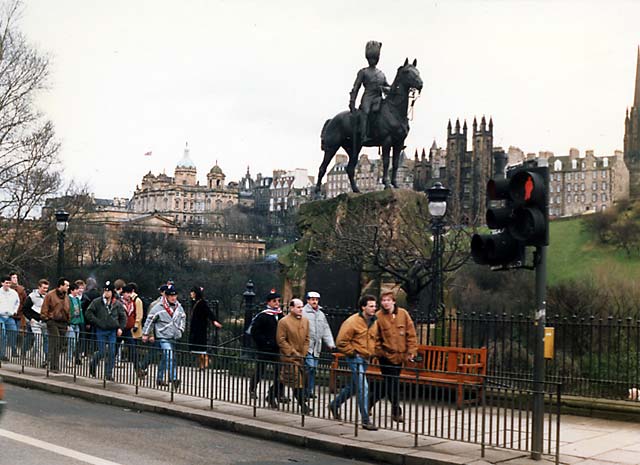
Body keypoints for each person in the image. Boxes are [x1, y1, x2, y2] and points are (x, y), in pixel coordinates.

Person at [329, 294, 381, 431]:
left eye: (375, 306)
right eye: (371, 306)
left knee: (353, 386)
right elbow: (341, 341)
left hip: (365, 357)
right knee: (363, 387)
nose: (374, 308)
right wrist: (352, 353)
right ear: (363, 307)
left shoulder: (375, 322)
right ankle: (365, 420)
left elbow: (376, 339)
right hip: (355, 357)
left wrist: (374, 351)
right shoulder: (352, 322)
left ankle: (335, 404)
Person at [370, 288, 417, 423]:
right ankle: (397, 411)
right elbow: (375, 337)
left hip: (400, 356)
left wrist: (411, 351)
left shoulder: (403, 314)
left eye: (388, 300)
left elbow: (411, 334)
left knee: (388, 383)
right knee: (393, 383)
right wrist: (380, 352)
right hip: (386, 356)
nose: (386, 303)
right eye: (383, 301)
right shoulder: (378, 316)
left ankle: (369, 402)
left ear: (394, 302)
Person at [142, 285, 185, 389]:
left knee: (167, 358)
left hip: (174, 336)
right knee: (169, 356)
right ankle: (174, 378)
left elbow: (183, 319)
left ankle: (160, 378)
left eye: (175, 295)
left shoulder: (179, 307)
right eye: (171, 295)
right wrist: (146, 333)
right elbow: (150, 320)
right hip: (163, 336)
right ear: (166, 296)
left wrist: (180, 330)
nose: (173, 297)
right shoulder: (158, 307)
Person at [349, 40, 390, 144]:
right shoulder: (363, 72)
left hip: (378, 98)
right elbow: (356, 87)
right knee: (365, 112)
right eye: (372, 58)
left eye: (375, 58)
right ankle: (364, 136)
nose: (373, 60)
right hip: (368, 97)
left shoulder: (381, 74)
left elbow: (387, 86)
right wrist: (352, 101)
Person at [249, 289, 285, 408]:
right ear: (269, 302)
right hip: (265, 349)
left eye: (278, 301)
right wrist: (265, 342)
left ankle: (279, 393)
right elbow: (255, 331)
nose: (277, 303)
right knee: (260, 370)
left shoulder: (280, 315)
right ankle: (252, 388)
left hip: (277, 348)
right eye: (274, 301)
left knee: (279, 372)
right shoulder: (263, 316)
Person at [85, 281, 126, 381]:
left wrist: (120, 327)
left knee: (112, 351)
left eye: (108, 291)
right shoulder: (97, 302)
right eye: (105, 291)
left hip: (112, 330)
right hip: (101, 329)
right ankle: (93, 363)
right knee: (102, 351)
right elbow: (89, 313)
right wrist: (97, 321)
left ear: (112, 292)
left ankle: (108, 373)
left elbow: (123, 317)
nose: (106, 293)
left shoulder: (117, 304)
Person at [277, 298, 311, 414]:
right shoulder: (284, 322)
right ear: (291, 308)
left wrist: (304, 353)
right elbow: (281, 340)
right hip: (289, 357)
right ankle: (303, 405)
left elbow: (307, 338)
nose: (301, 309)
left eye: (302, 307)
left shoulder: (305, 321)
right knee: (296, 381)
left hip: (301, 357)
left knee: (284, 379)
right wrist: (292, 352)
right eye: (298, 307)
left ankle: (271, 394)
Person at [302, 291, 335, 399]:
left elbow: (325, 329)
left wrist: (330, 343)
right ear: (308, 300)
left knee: (313, 369)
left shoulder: (320, 314)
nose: (314, 301)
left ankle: (309, 390)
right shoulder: (303, 312)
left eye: (316, 299)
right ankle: (304, 390)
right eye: (312, 299)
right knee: (309, 367)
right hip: (306, 345)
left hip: (317, 346)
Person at [40, 278, 70, 372]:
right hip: (53, 321)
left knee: (60, 344)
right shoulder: (50, 295)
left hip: (63, 322)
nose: (68, 287)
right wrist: (46, 318)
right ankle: (54, 366)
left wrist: (68, 321)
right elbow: (45, 307)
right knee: (55, 342)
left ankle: (52, 362)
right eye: (66, 285)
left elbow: (68, 309)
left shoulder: (66, 297)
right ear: (61, 286)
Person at [188, 286, 222, 370]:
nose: (191, 294)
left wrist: (214, 320)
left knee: (201, 346)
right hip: (194, 327)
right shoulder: (194, 302)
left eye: (192, 292)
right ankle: (201, 363)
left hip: (201, 327)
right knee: (195, 347)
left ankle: (205, 360)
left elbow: (209, 312)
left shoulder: (202, 303)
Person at [22, 279, 49, 362]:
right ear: (39, 287)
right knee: (39, 339)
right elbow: (25, 309)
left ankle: (31, 356)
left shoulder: (47, 296)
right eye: (44, 288)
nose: (45, 290)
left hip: (43, 321)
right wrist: (31, 319)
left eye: (47, 288)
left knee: (43, 340)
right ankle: (42, 360)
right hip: (34, 321)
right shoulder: (32, 296)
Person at [0, 275, 20, 361]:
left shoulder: (14, 293)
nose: (8, 284)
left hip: (9, 316)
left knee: (13, 332)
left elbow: (17, 302)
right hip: (0, 316)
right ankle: (2, 354)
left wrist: (14, 311)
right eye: (6, 283)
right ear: (2, 283)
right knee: (3, 334)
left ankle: (13, 349)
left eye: (9, 283)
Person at [66, 282, 84, 365]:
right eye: (76, 289)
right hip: (70, 323)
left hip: (77, 323)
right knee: (71, 342)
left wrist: (81, 321)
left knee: (75, 342)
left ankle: (71, 358)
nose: (78, 291)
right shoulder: (68, 299)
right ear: (72, 290)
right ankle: (69, 359)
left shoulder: (77, 299)